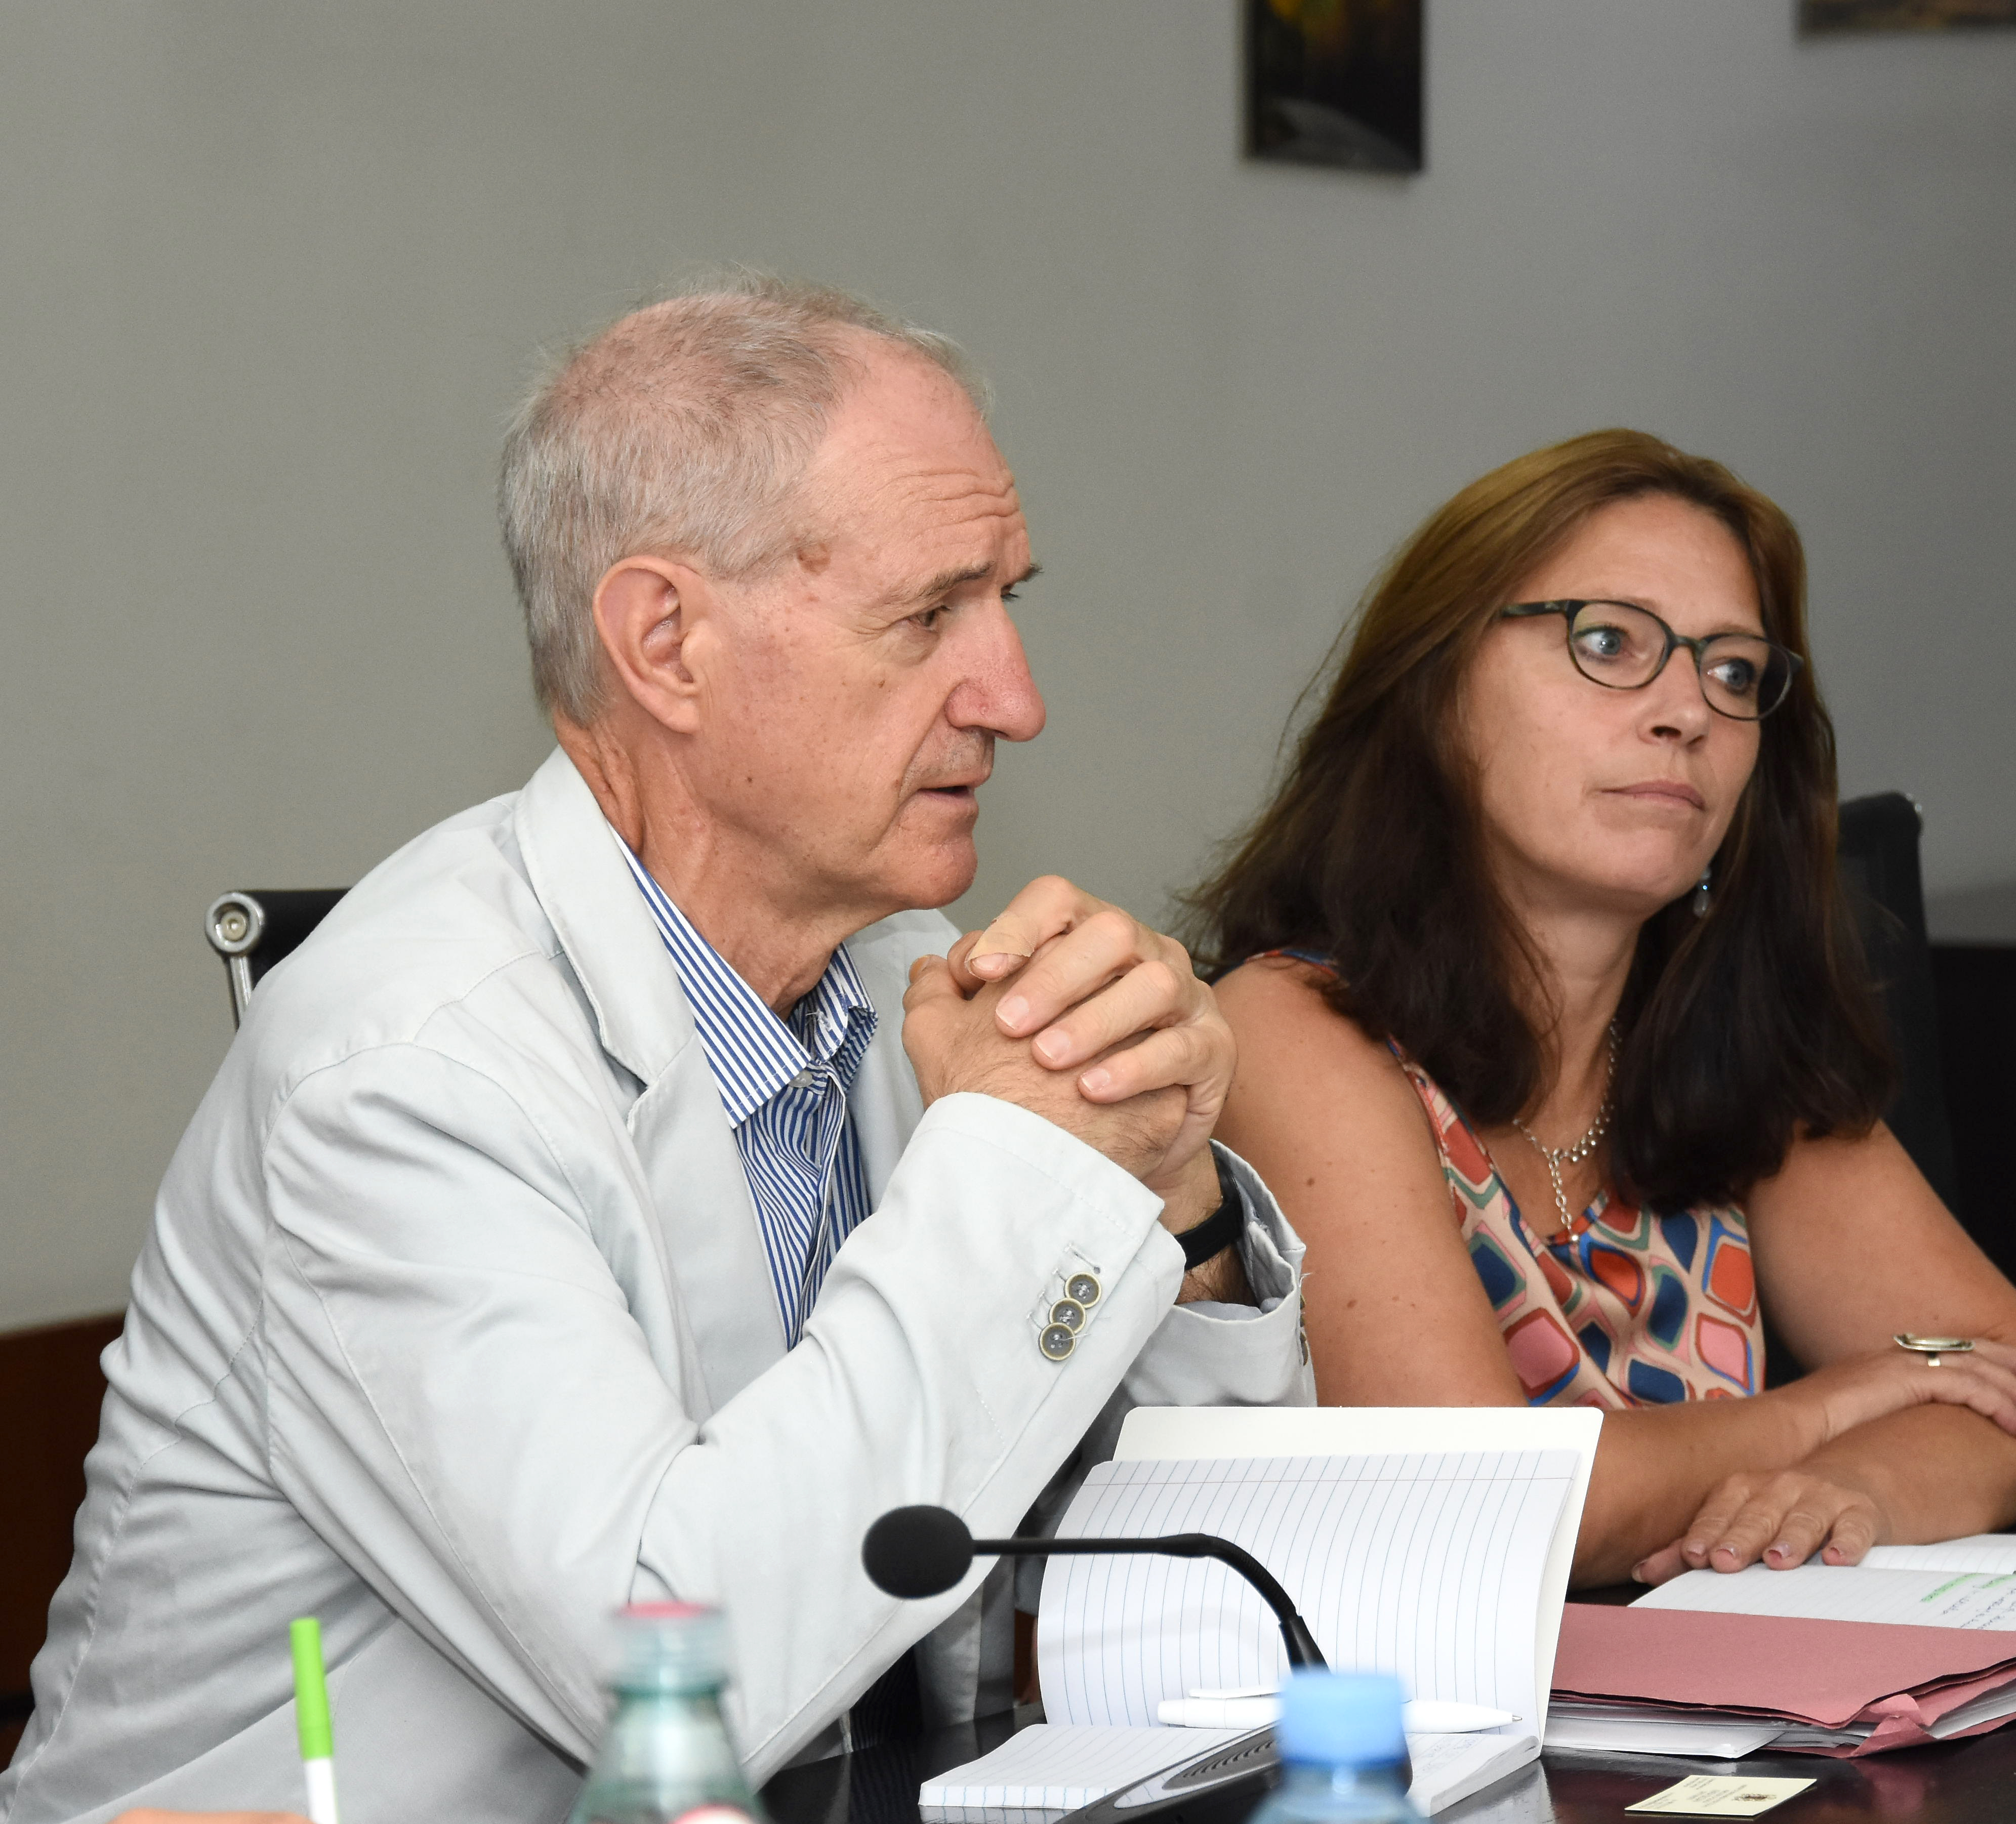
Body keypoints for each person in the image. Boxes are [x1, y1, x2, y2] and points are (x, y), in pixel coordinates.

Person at [2, 277, 1307, 1822]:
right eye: (927, 616)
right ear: (667, 643)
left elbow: (1213, 1619)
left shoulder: (914, 982)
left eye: (1009, 601)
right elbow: (677, 1684)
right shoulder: (400, 1070)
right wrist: (1020, 1167)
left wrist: (1177, 1207)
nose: (1016, 698)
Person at [1195, 430, 2016, 1590]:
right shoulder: (1291, 1024)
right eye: (1608, 641)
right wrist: (1821, 1412)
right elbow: (1481, 1502)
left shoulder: (1718, 1037)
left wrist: (1857, 1487)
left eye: (1734, 672)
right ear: (1435, 686)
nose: (1687, 713)